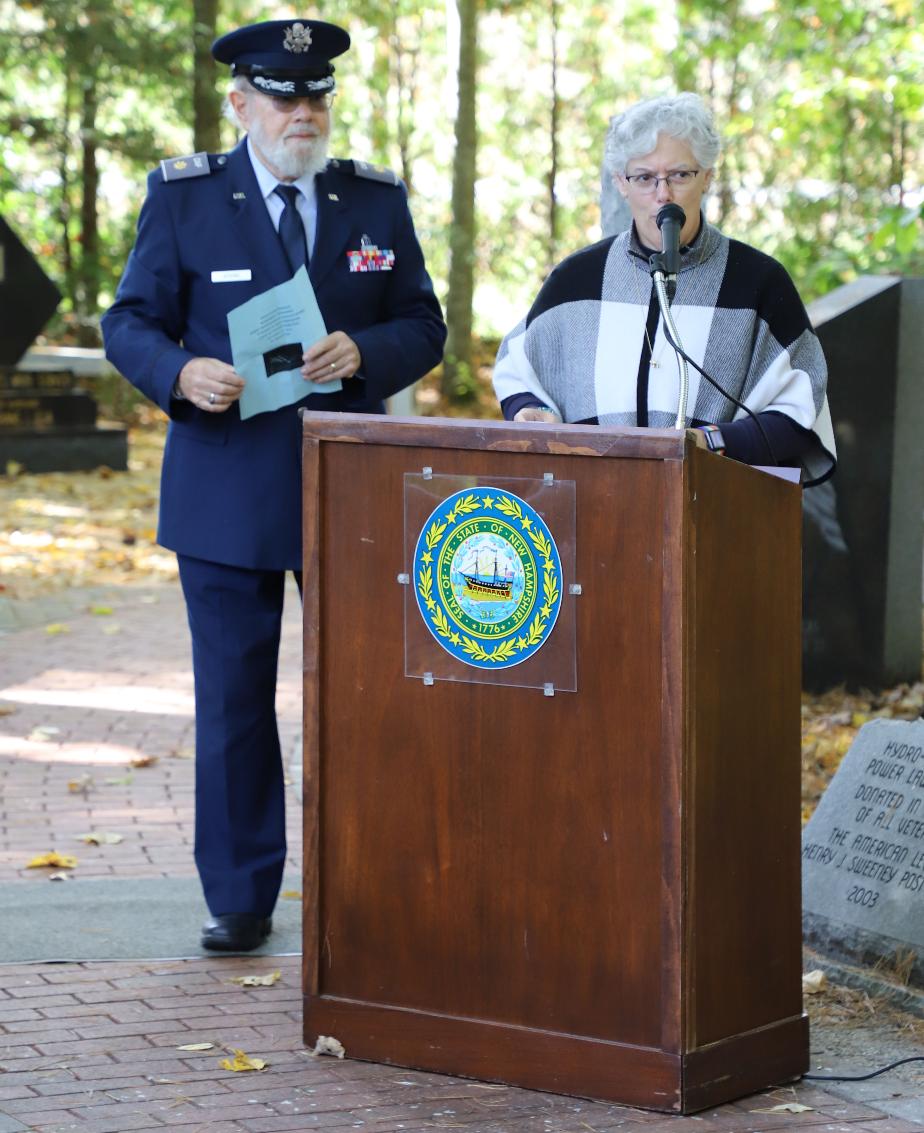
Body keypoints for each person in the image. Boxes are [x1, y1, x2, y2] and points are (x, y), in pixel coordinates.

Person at [102, 18, 447, 952]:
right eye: (284, 95)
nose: (303, 112)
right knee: (235, 701)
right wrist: (178, 374)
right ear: (242, 102)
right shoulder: (185, 200)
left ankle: (368, 886)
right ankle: (242, 898)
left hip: (353, 494)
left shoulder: (373, 201)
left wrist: (365, 350)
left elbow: (424, 321)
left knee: (368, 698)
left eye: (316, 95)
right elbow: (128, 319)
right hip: (225, 492)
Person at [492, 92, 836, 485]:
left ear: (707, 176)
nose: (663, 194)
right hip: (591, 506)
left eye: (679, 175)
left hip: (713, 510)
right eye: (644, 178)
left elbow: (800, 410)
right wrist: (530, 410)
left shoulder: (758, 282)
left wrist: (712, 442)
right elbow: (517, 372)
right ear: (621, 183)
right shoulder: (576, 279)